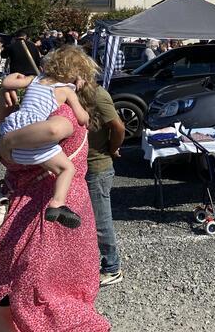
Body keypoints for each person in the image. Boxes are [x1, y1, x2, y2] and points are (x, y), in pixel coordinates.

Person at [0, 50, 110, 332]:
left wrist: (9, 140)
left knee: (36, 289)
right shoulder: (46, 105)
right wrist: (5, 105)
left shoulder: (62, 112)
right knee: (24, 287)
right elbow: (5, 118)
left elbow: (52, 131)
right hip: (44, 208)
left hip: (46, 212)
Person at [0, 46, 90, 227]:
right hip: (34, 133)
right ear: (76, 75)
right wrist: (86, 114)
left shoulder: (35, 79)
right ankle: (57, 204)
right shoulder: (66, 90)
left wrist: (16, 76)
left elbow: (7, 83)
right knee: (67, 169)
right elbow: (80, 119)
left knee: (5, 137)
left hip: (15, 124)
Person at [85, 79, 126, 286]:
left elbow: (118, 127)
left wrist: (111, 149)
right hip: (81, 166)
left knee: (101, 221)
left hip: (97, 166)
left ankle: (112, 267)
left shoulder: (98, 95)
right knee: (85, 220)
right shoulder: (72, 92)